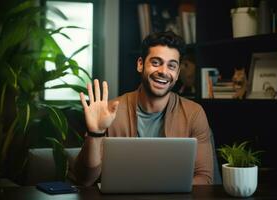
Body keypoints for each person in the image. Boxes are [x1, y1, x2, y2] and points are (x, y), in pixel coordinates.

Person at [75, 31, 213, 186]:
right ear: (140, 64)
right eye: (156, 62)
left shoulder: (194, 113)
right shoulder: (108, 113)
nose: (163, 71)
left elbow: (205, 178)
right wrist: (95, 133)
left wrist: (156, 191)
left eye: (171, 66)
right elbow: (85, 179)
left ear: (177, 72)